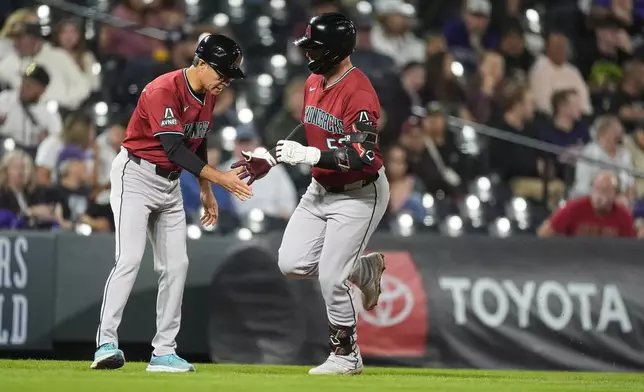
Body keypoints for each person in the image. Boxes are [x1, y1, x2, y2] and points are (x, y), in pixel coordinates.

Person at [231, 13, 389, 375]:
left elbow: (364, 155)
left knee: (332, 278)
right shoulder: (314, 82)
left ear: (334, 49)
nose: (308, 53)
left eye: (315, 47)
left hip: (359, 193)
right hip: (321, 188)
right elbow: (310, 125)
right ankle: (362, 269)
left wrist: (314, 155)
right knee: (291, 263)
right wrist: (272, 156)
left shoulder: (359, 91)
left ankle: (347, 355)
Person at [91, 34, 252, 373]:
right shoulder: (163, 89)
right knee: (130, 258)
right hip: (135, 175)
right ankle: (105, 344)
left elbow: (198, 140)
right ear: (202, 64)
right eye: (222, 72)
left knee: (176, 265)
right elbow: (174, 148)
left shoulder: (207, 93)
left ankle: (164, 352)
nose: (225, 80)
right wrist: (222, 178)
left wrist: (206, 190)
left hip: (171, 183)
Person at [0, 21, 91, 110]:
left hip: (60, 110)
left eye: (20, 39)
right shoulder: (18, 59)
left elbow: (83, 87)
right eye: (15, 39)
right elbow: (4, 72)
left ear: (34, 40)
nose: (15, 43)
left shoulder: (57, 56)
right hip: (28, 111)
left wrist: (62, 99)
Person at [538, 171, 636, 237]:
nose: (599, 195)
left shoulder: (623, 216)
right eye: (597, 189)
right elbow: (544, 232)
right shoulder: (574, 208)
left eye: (605, 190)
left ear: (615, 194)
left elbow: (632, 247)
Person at [0, 63, 62, 155]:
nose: (24, 87)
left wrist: (47, 140)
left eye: (29, 85)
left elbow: (57, 141)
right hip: (5, 149)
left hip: (33, 153)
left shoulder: (49, 113)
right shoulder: (6, 99)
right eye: (23, 82)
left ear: (41, 89)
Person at [570, 115, 635, 203]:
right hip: (592, 201)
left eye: (620, 132)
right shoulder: (589, 153)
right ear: (602, 134)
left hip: (619, 202)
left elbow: (629, 184)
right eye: (615, 132)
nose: (620, 137)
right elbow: (583, 187)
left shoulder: (624, 154)